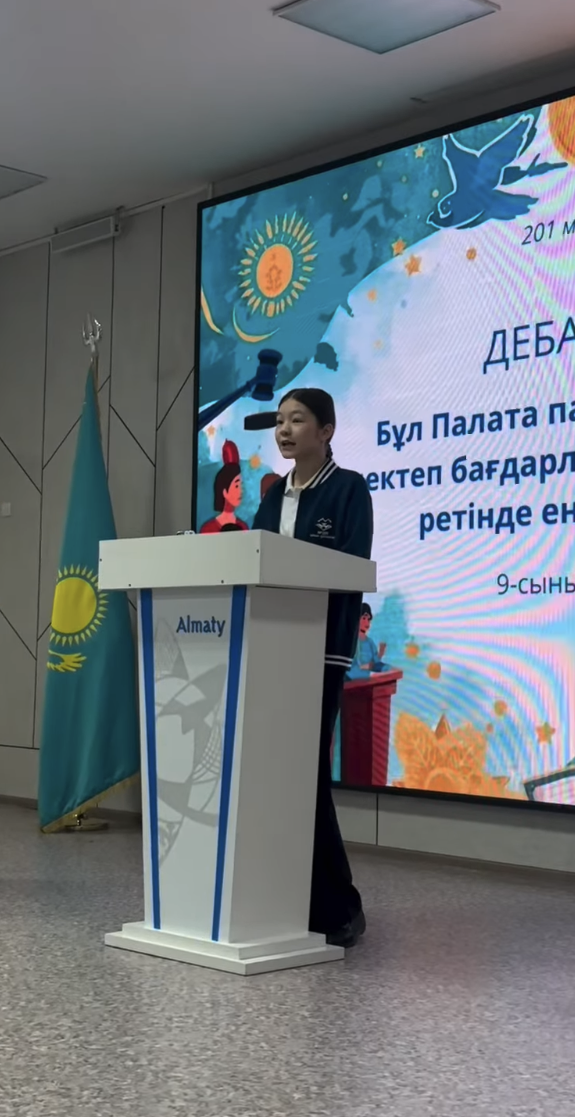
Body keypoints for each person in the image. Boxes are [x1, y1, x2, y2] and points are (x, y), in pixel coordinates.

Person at [253, 388, 373, 949]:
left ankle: (338, 905)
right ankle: (289, 899)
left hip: (320, 650)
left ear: (325, 431)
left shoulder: (349, 489)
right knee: (278, 773)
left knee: (305, 773)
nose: (284, 430)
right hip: (267, 649)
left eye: (296, 420)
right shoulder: (272, 495)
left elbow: (352, 567)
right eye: (279, 421)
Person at [200, 440, 249, 533]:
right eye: (236, 486)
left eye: (241, 485)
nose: (241, 491)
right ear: (224, 491)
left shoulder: (243, 527)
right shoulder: (208, 529)